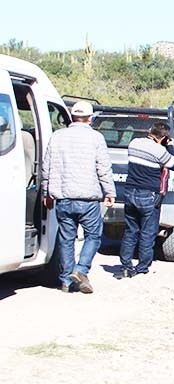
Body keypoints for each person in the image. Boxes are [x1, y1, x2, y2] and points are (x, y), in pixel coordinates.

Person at [41, 101, 116, 293]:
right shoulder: (96, 138)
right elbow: (103, 168)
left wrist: (46, 193)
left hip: (63, 198)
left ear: (72, 117)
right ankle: (81, 270)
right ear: (90, 118)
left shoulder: (57, 136)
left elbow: (46, 168)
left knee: (66, 239)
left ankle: (66, 280)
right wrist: (110, 192)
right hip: (88, 199)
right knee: (93, 236)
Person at [119, 122, 174, 278]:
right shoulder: (159, 151)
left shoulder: (134, 143)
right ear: (164, 137)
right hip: (148, 194)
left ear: (149, 131)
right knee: (147, 233)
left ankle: (125, 266)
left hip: (129, 192)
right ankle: (142, 267)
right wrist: (170, 147)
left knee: (130, 231)